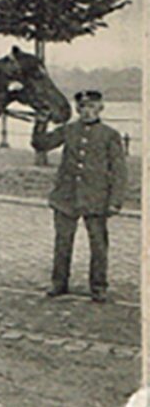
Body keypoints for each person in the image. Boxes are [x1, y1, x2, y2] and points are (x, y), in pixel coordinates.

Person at [31, 89, 127, 303]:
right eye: (83, 107)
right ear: (77, 109)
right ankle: (59, 283)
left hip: (96, 199)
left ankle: (99, 286)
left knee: (99, 245)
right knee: (63, 242)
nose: (87, 112)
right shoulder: (68, 130)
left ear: (100, 108)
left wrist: (115, 201)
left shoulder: (110, 135)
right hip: (66, 198)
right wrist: (41, 123)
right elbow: (41, 144)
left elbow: (119, 171)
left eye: (92, 107)